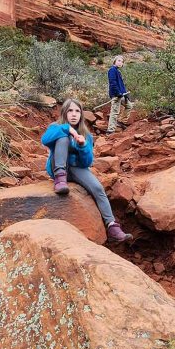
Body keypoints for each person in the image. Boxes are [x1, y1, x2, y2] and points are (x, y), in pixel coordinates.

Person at [41, 98, 133, 243]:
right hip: (57, 167)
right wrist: (67, 129)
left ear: (81, 114)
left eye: (77, 111)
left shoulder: (86, 135)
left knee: (98, 188)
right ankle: (60, 179)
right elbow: (45, 140)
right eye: (70, 111)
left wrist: (82, 146)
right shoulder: (56, 127)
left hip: (76, 168)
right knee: (63, 139)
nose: (74, 114)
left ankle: (112, 226)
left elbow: (87, 163)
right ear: (64, 112)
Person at [106, 55, 130, 133]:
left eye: (122, 62)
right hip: (116, 95)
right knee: (114, 112)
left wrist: (125, 94)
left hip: (121, 94)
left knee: (129, 106)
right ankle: (110, 130)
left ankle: (121, 122)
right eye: (119, 61)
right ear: (115, 61)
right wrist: (117, 93)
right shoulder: (112, 70)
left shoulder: (118, 71)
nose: (120, 63)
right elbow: (112, 83)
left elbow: (121, 85)